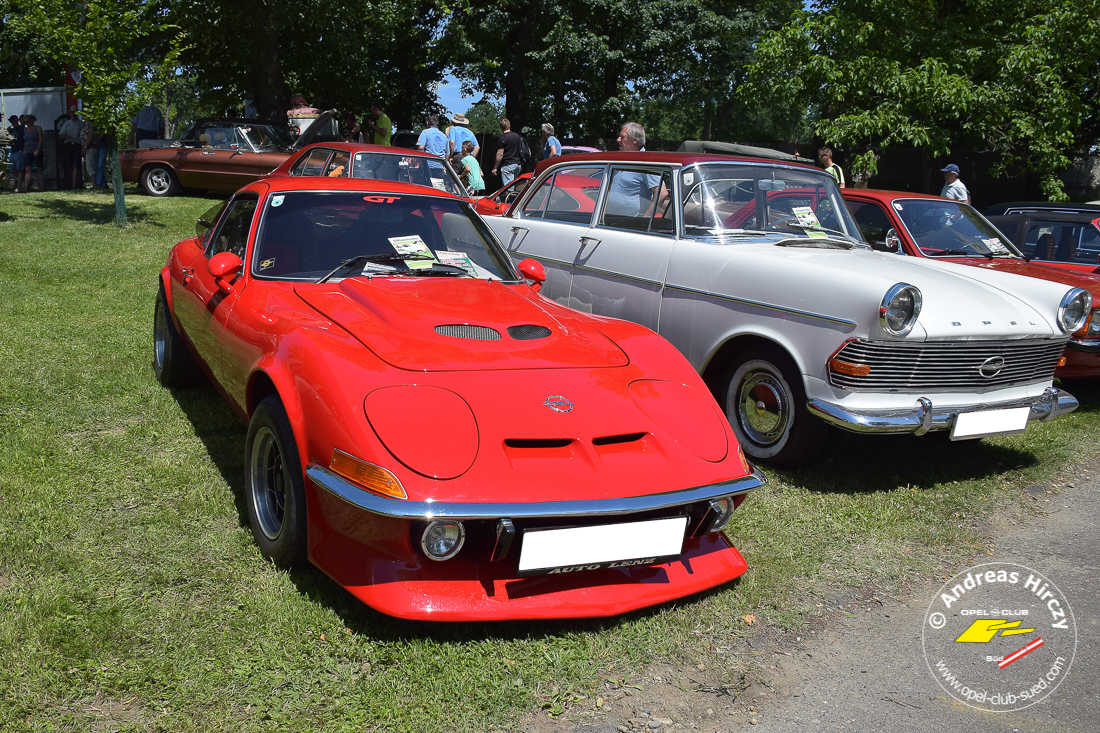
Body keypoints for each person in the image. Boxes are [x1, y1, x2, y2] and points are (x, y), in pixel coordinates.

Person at [607, 122, 665, 216]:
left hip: (630, 225)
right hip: (612, 222)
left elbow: (662, 193)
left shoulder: (645, 162)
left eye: (622, 137)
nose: (618, 140)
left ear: (634, 140)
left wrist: (645, 219)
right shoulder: (622, 160)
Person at [58, 105, 85, 190]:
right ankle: (68, 184)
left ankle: (75, 185)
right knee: (68, 165)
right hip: (68, 145)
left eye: (75, 112)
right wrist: (66, 136)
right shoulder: (67, 124)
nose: (73, 114)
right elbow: (60, 135)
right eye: (72, 112)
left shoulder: (81, 124)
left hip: (77, 145)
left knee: (76, 166)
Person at [491, 118, 523, 185]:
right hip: (518, 165)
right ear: (509, 126)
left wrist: (495, 168)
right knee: (514, 186)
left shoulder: (502, 138)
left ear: (501, 127)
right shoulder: (517, 136)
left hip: (508, 165)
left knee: (508, 189)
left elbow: (500, 154)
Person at [22, 115, 44, 192]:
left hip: (37, 151)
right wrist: (24, 150)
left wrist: (37, 150)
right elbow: (25, 141)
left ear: (32, 120)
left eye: (27, 121)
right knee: (27, 169)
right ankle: (25, 188)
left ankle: (42, 189)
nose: (26, 123)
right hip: (28, 151)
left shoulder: (38, 128)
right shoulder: (25, 130)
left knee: (39, 169)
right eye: (24, 122)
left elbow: (41, 140)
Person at [7, 115, 26, 192]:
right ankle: (26, 179)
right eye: (10, 121)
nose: (12, 122)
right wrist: (7, 131)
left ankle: (18, 187)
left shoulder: (22, 129)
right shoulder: (11, 130)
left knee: (20, 169)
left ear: (16, 120)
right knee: (12, 170)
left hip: (20, 150)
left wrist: (24, 150)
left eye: (13, 121)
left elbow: (25, 139)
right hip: (13, 151)